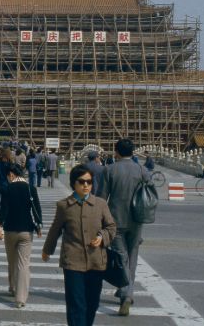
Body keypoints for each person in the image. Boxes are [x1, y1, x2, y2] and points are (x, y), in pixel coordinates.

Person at [42, 165, 117, 326]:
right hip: (72, 262)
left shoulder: (100, 204)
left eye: (89, 182)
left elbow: (111, 227)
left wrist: (101, 237)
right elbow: (55, 230)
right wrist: (47, 250)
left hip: (96, 261)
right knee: (76, 304)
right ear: (73, 183)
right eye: (82, 182)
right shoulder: (64, 206)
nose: (86, 185)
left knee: (92, 303)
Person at [96, 137, 148, 316]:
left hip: (115, 220)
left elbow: (101, 198)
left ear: (116, 151)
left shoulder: (110, 169)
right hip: (137, 219)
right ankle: (125, 290)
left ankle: (126, 293)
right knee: (132, 256)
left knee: (121, 257)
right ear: (133, 152)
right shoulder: (142, 170)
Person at [0, 163, 43, 309]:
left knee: (12, 261)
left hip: (10, 230)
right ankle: (20, 298)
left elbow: (4, 209)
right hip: (26, 231)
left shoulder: (8, 188)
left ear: (11, 174)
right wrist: (39, 225)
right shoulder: (30, 188)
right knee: (23, 264)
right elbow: (36, 209)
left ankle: (13, 287)